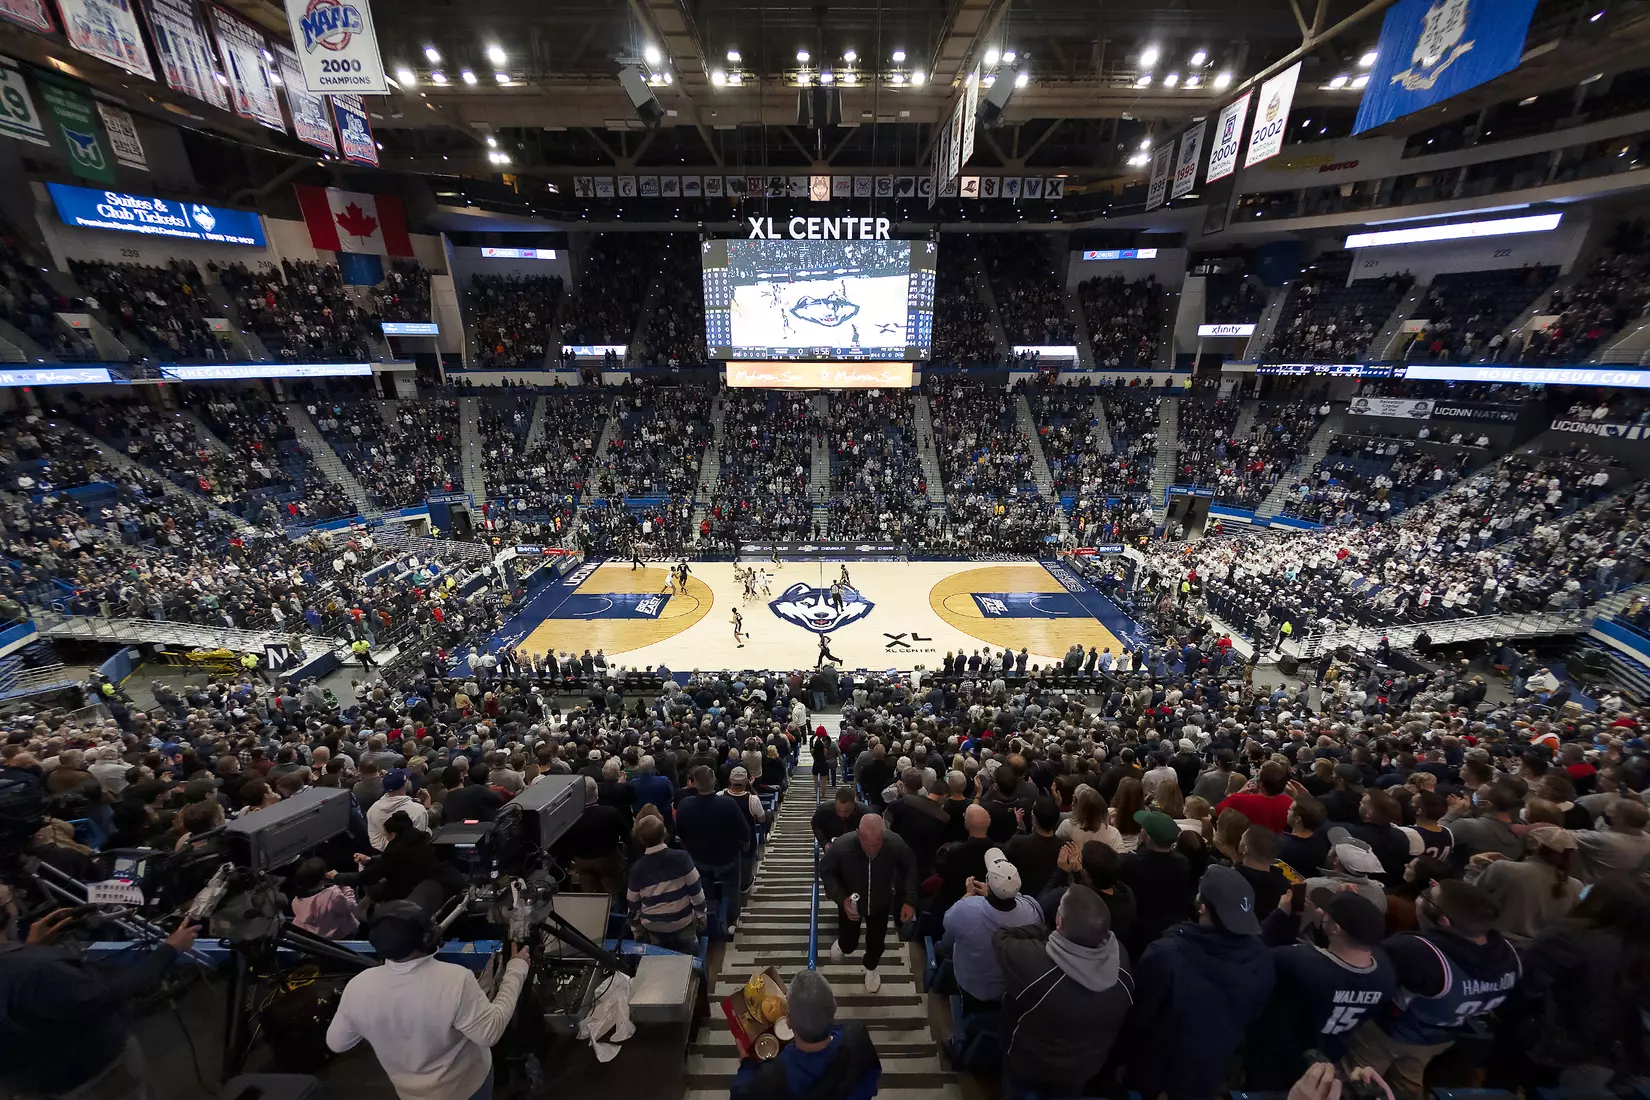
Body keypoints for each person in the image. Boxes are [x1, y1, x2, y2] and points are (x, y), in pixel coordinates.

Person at [327, 896, 530, 1100]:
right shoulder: (455, 980)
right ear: (427, 938)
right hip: (466, 1088)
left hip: (410, 1094)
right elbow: (490, 1032)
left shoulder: (358, 986)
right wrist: (516, 969)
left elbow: (337, 1043)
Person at [1344, 880, 1521, 1100]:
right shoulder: (1509, 956)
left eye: (1428, 896)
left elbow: (1362, 972)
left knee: (1360, 1080)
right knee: (1407, 1081)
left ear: (1444, 921)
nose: (1423, 895)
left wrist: (1352, 909)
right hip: (1441, 1035)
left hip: (1390, 1032)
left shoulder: (1417, 951)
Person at [0, 906, 200, 1100]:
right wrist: (170, 949)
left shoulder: (27, 965)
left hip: (26, 1084)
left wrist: (30, 949)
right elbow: (107, 997)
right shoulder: (39, 967)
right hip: (94, 1078)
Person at [1123, 865, 1276, 1100]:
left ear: (1202, 907)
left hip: (1162, 1069)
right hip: (1215, 1066)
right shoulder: (1262, 957)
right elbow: (1256, 1014)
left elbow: (1139, 1015)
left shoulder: (1166, 955)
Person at [995, 884, 1134, 1100]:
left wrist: (1044, 931)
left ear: (1059, 922)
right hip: (1083, 1067)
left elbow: (1001, 938)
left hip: (1030, 1062)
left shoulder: (1035, 962)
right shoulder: (1122, 962)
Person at [1248, 891, 1395, 1087]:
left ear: (1336, 928)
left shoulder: (1298, 962)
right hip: (1326, 1058)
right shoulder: (1385, 974)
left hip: (1275, 1056)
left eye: (1327, 914)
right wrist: (1355, 908)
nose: (1319, 912)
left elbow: (1251, 954)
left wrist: (1281, 914)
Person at [730, 971, 880, 1100]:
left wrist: (746, 1064)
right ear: (834, 1005)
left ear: (788, 1022)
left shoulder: (773, 1077)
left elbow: (739, 1095)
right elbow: (871, 1084)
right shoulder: (858, 1037)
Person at [820, 815, 918, 993]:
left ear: (884, 834)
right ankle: (844, 945)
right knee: (848, 938)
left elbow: (910, 867)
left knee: (877, 942)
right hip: (851, 903)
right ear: (858, 834)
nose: (872, 850)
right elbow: (826, 871)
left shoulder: (895, 844)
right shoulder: (841, 846)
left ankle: (871, 966)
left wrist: (910, 900)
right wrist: (841, 897)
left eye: (877, 844)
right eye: (868, 845)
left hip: (881, 904)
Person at [939, 847, 1044, 1009]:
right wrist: (994, 892)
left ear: (988, 883)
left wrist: (968, 895)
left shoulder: (966, 909)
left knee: (945, 945)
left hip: (973, 989)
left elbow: (948, 923)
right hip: (1014, 992)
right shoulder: (1033, 910)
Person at [675, 765, 752, 935]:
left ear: (694, 783)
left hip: (699, 858)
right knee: (731, 888)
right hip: (728, 858)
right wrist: (744, 844)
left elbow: (680, 833)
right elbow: (744, 831)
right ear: (714, 781)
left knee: (704, 888)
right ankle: (731, 919)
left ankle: (708, 919)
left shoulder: (685, 805)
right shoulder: (727, 803)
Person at [626, 809, 706, 951]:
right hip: (682, 922)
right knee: (689, 957)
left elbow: (633, 904)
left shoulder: (637, 868)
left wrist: (636, 930)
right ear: (664, 832)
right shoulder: (682, 858)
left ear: (641, 840)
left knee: (659, 960)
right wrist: (701, 915)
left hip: (653, 927)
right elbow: (696, 890)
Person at [1117, 809, 1193, 946]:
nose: (1140, 831)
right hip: (1173, 932)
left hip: (1139, 935)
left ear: (1148, 837)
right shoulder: (1183, 862)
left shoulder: (1130, 863)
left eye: (1142, 828)